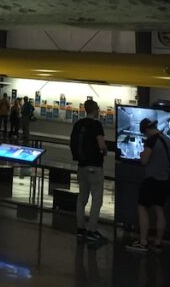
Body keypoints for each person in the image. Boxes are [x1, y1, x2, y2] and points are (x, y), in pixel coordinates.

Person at [127, 118, 170, 253]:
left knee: (142, 208)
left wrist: (143, 154)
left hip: (151, 180)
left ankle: (143, 242)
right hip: (164, 181)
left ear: (146, 130)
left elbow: (144, 161)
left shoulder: (151, 140)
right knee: (160, 211)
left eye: (144, 133)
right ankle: (158, 242)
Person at [70, 99, 108, 242]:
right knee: (96, 200)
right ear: (95, 109)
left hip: (82, 166)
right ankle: (92, 230)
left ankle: (80, 228)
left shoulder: (79, 124)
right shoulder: (96, 125)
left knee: (82, 199)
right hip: (94, 166)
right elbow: (101, 144)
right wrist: (104, 151)